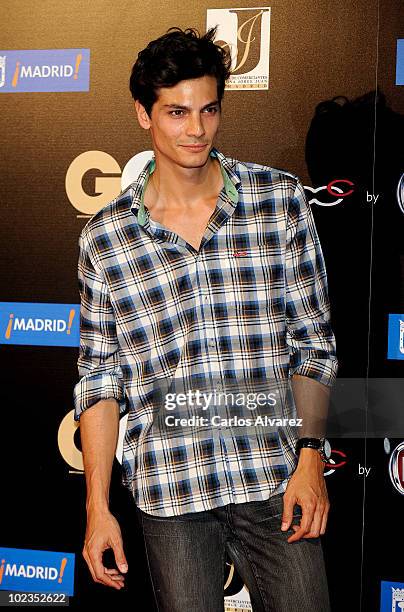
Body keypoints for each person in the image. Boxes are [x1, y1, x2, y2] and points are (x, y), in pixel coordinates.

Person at [73, 26, 338, 612]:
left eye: (208, 109)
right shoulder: (107, 239)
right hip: (169, 488)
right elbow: (99, 378)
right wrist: (98, 509)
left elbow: (313, 344)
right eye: (176, 112)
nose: (195, 129)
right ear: (143, 114)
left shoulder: (279, 202)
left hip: (273, 476)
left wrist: (312, 457)